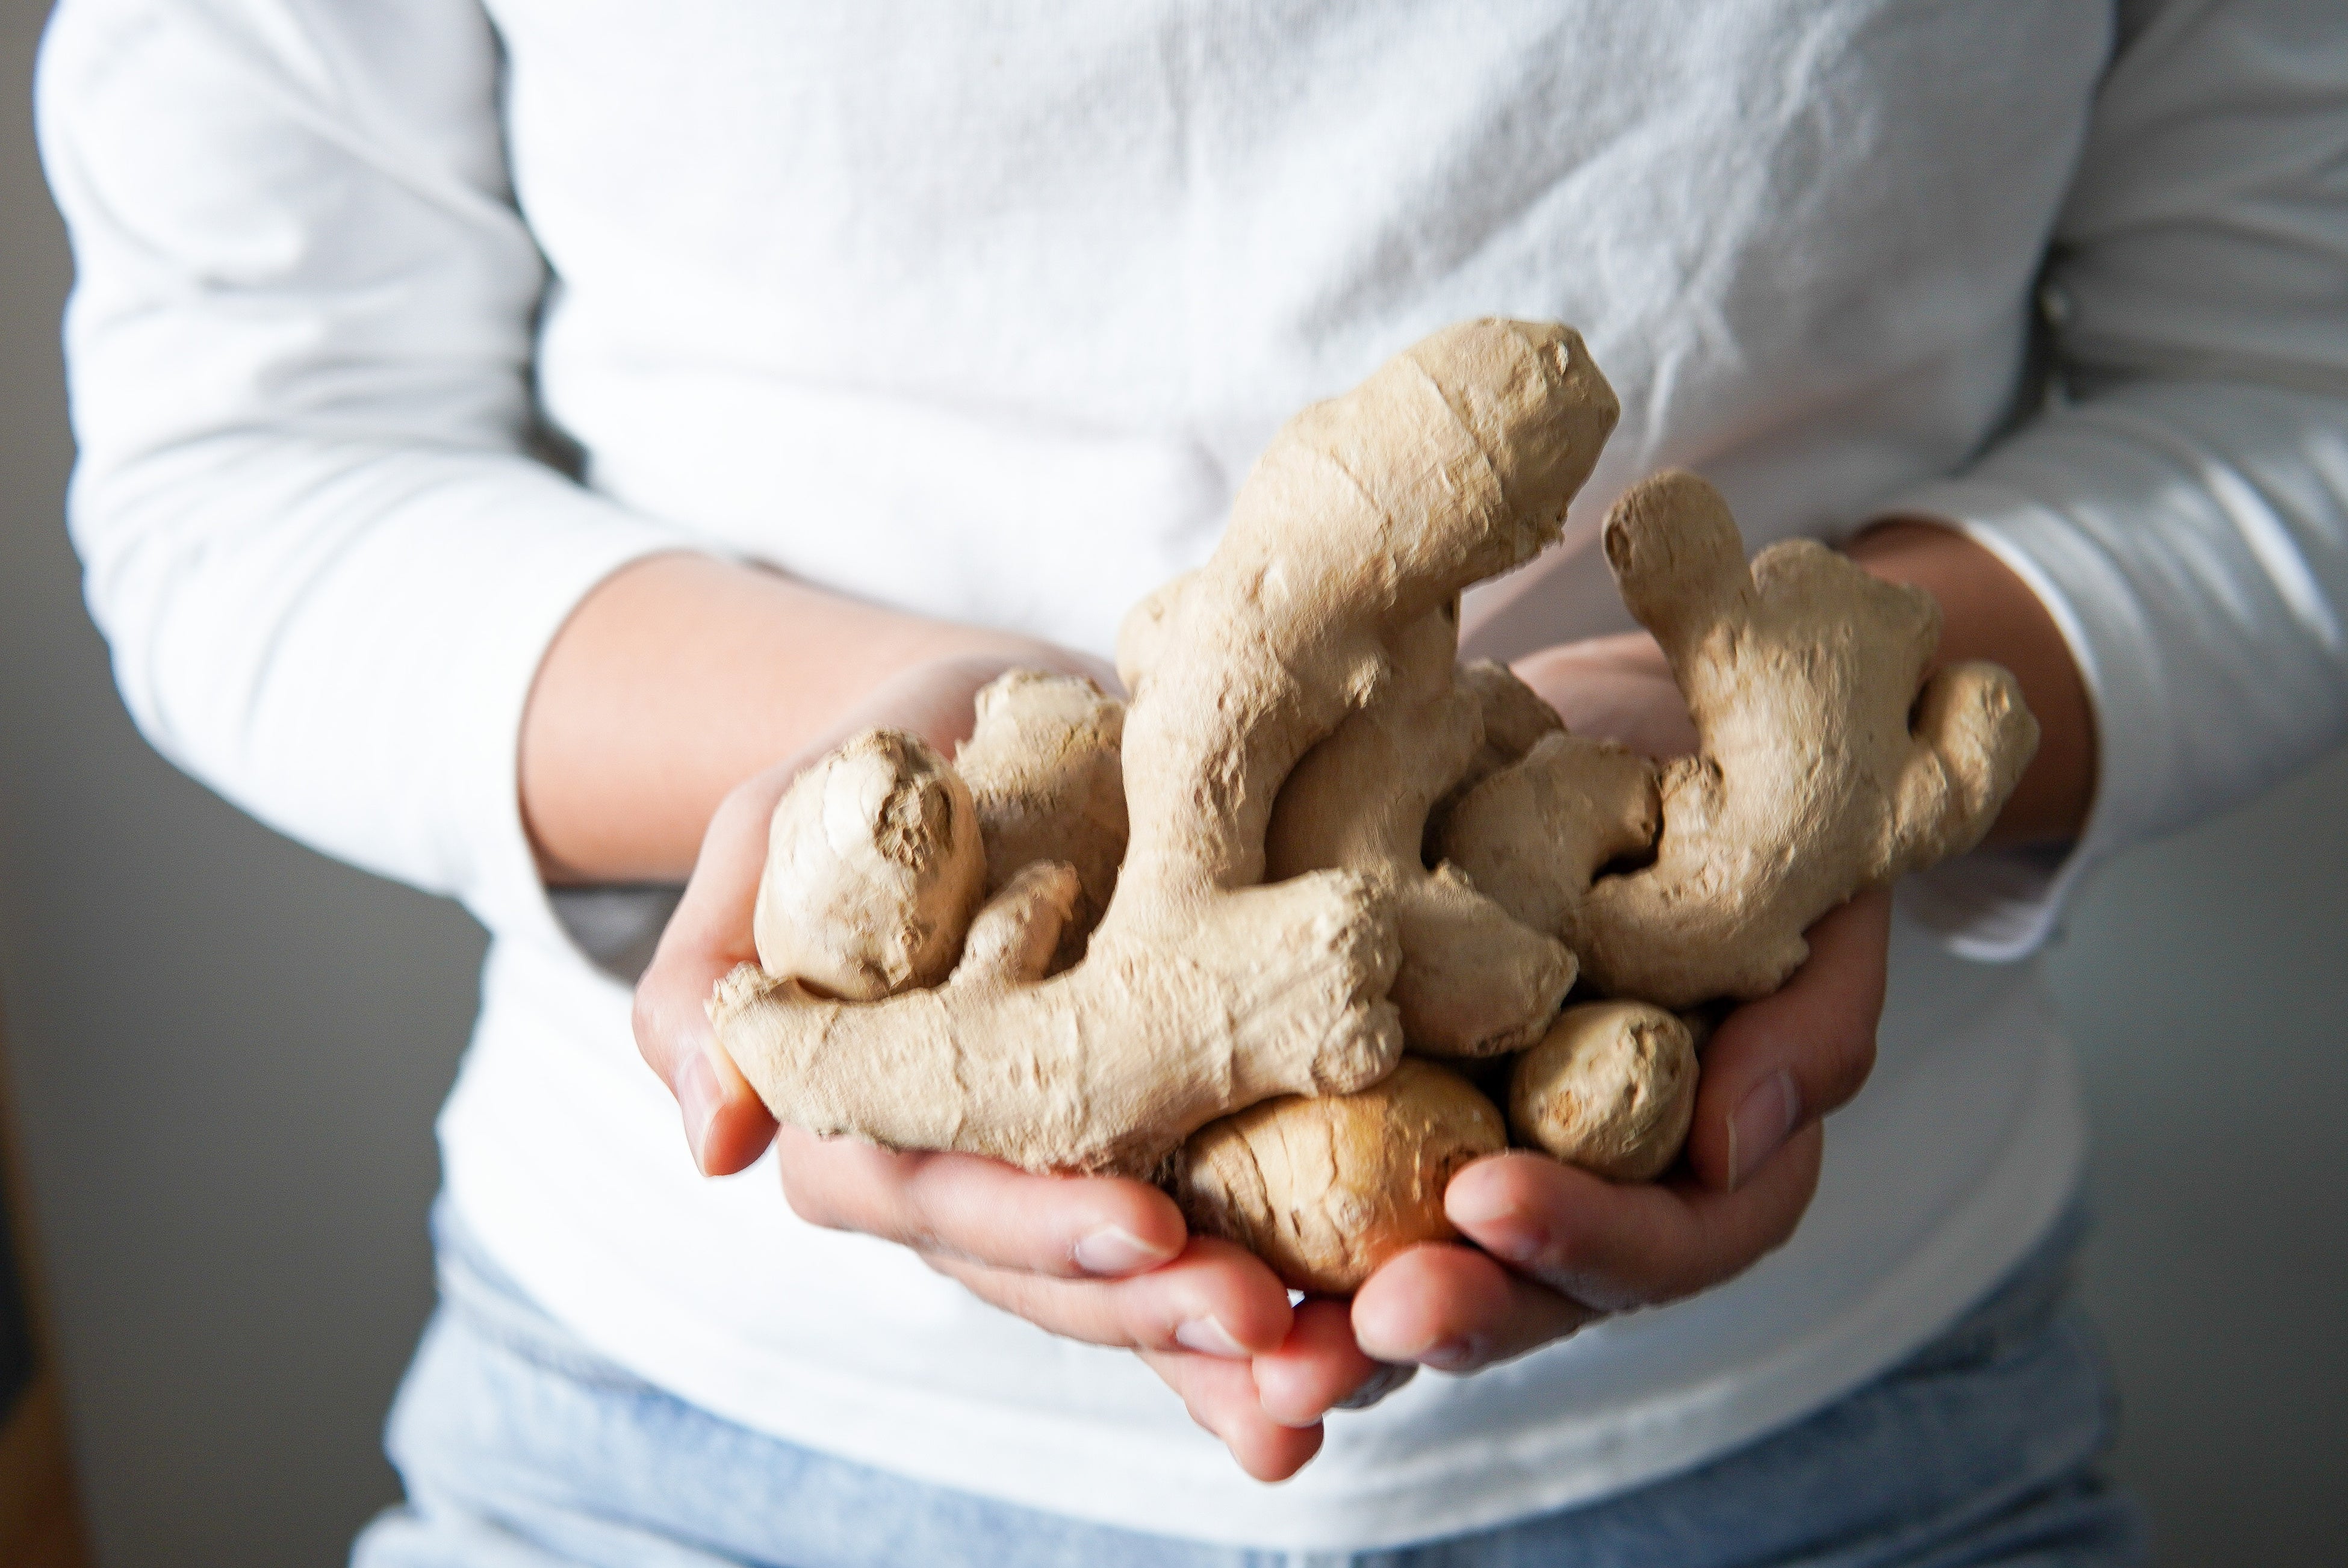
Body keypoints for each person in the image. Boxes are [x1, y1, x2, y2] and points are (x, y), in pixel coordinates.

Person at [35, 0, 2347, 1562]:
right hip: (681, 1451)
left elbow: (2298, 386)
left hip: (1846, 1439)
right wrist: (896, 737)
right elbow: (256, 458)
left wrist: (1737, 760)